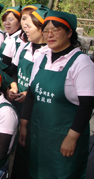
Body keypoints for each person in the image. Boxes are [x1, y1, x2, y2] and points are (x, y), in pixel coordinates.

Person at [20, 10, 94, 179]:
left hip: (64, 138)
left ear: (69, 33)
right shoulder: (42, 58)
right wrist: (24, 124)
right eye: (46, 30)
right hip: (40, 135)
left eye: (56, 30)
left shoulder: (81, 62)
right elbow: (31, 94)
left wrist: (71, 138)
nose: (50, 35)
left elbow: (87, 105)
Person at [7, 8, 50, 179]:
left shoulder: (48, 52)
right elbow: (14, 71)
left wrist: (30, 94)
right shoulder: (24, 47)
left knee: (34, 146)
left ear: (41, 29)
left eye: (29, 25)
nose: (25, 27)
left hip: (38, 110)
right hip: (18, 104)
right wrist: (13, 86)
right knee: (18, 145)